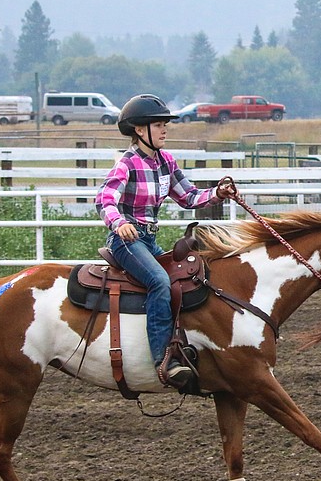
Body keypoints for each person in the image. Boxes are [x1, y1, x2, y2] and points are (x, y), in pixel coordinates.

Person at [95, 94, 238, 388]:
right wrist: (119, 223)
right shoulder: (127, 164)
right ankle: (163, 359)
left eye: (164, 125)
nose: (164, 130)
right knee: (160, 282)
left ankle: (184, 344)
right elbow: (105, 199)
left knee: (185, 280)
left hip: (148, 240)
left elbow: (188, 196)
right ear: (139, 130)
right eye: (158, 125)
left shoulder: (166, 162)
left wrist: (217, 194)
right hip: (127, 241)